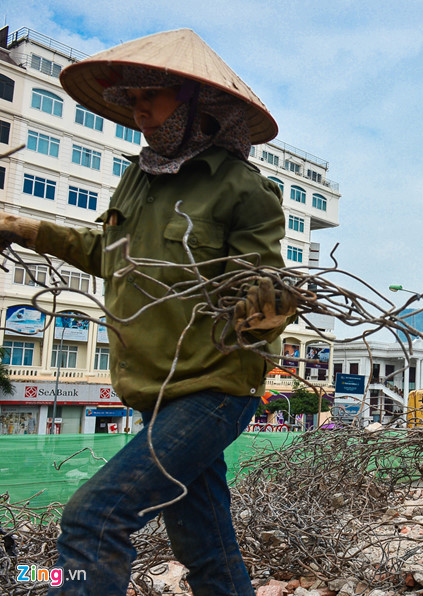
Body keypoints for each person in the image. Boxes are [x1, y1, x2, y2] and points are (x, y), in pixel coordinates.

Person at [0, 29, 295, 595]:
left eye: (149, 102)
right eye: (132, 103)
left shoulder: (244, 189)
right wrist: (25, 228)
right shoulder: (137, 179)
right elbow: (107, 256)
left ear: (194, 103)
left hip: (215, 389)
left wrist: (264, 304)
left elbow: (262, 275)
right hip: (156, 392)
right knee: (205, 544)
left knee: (94, 517)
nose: (139, 116)